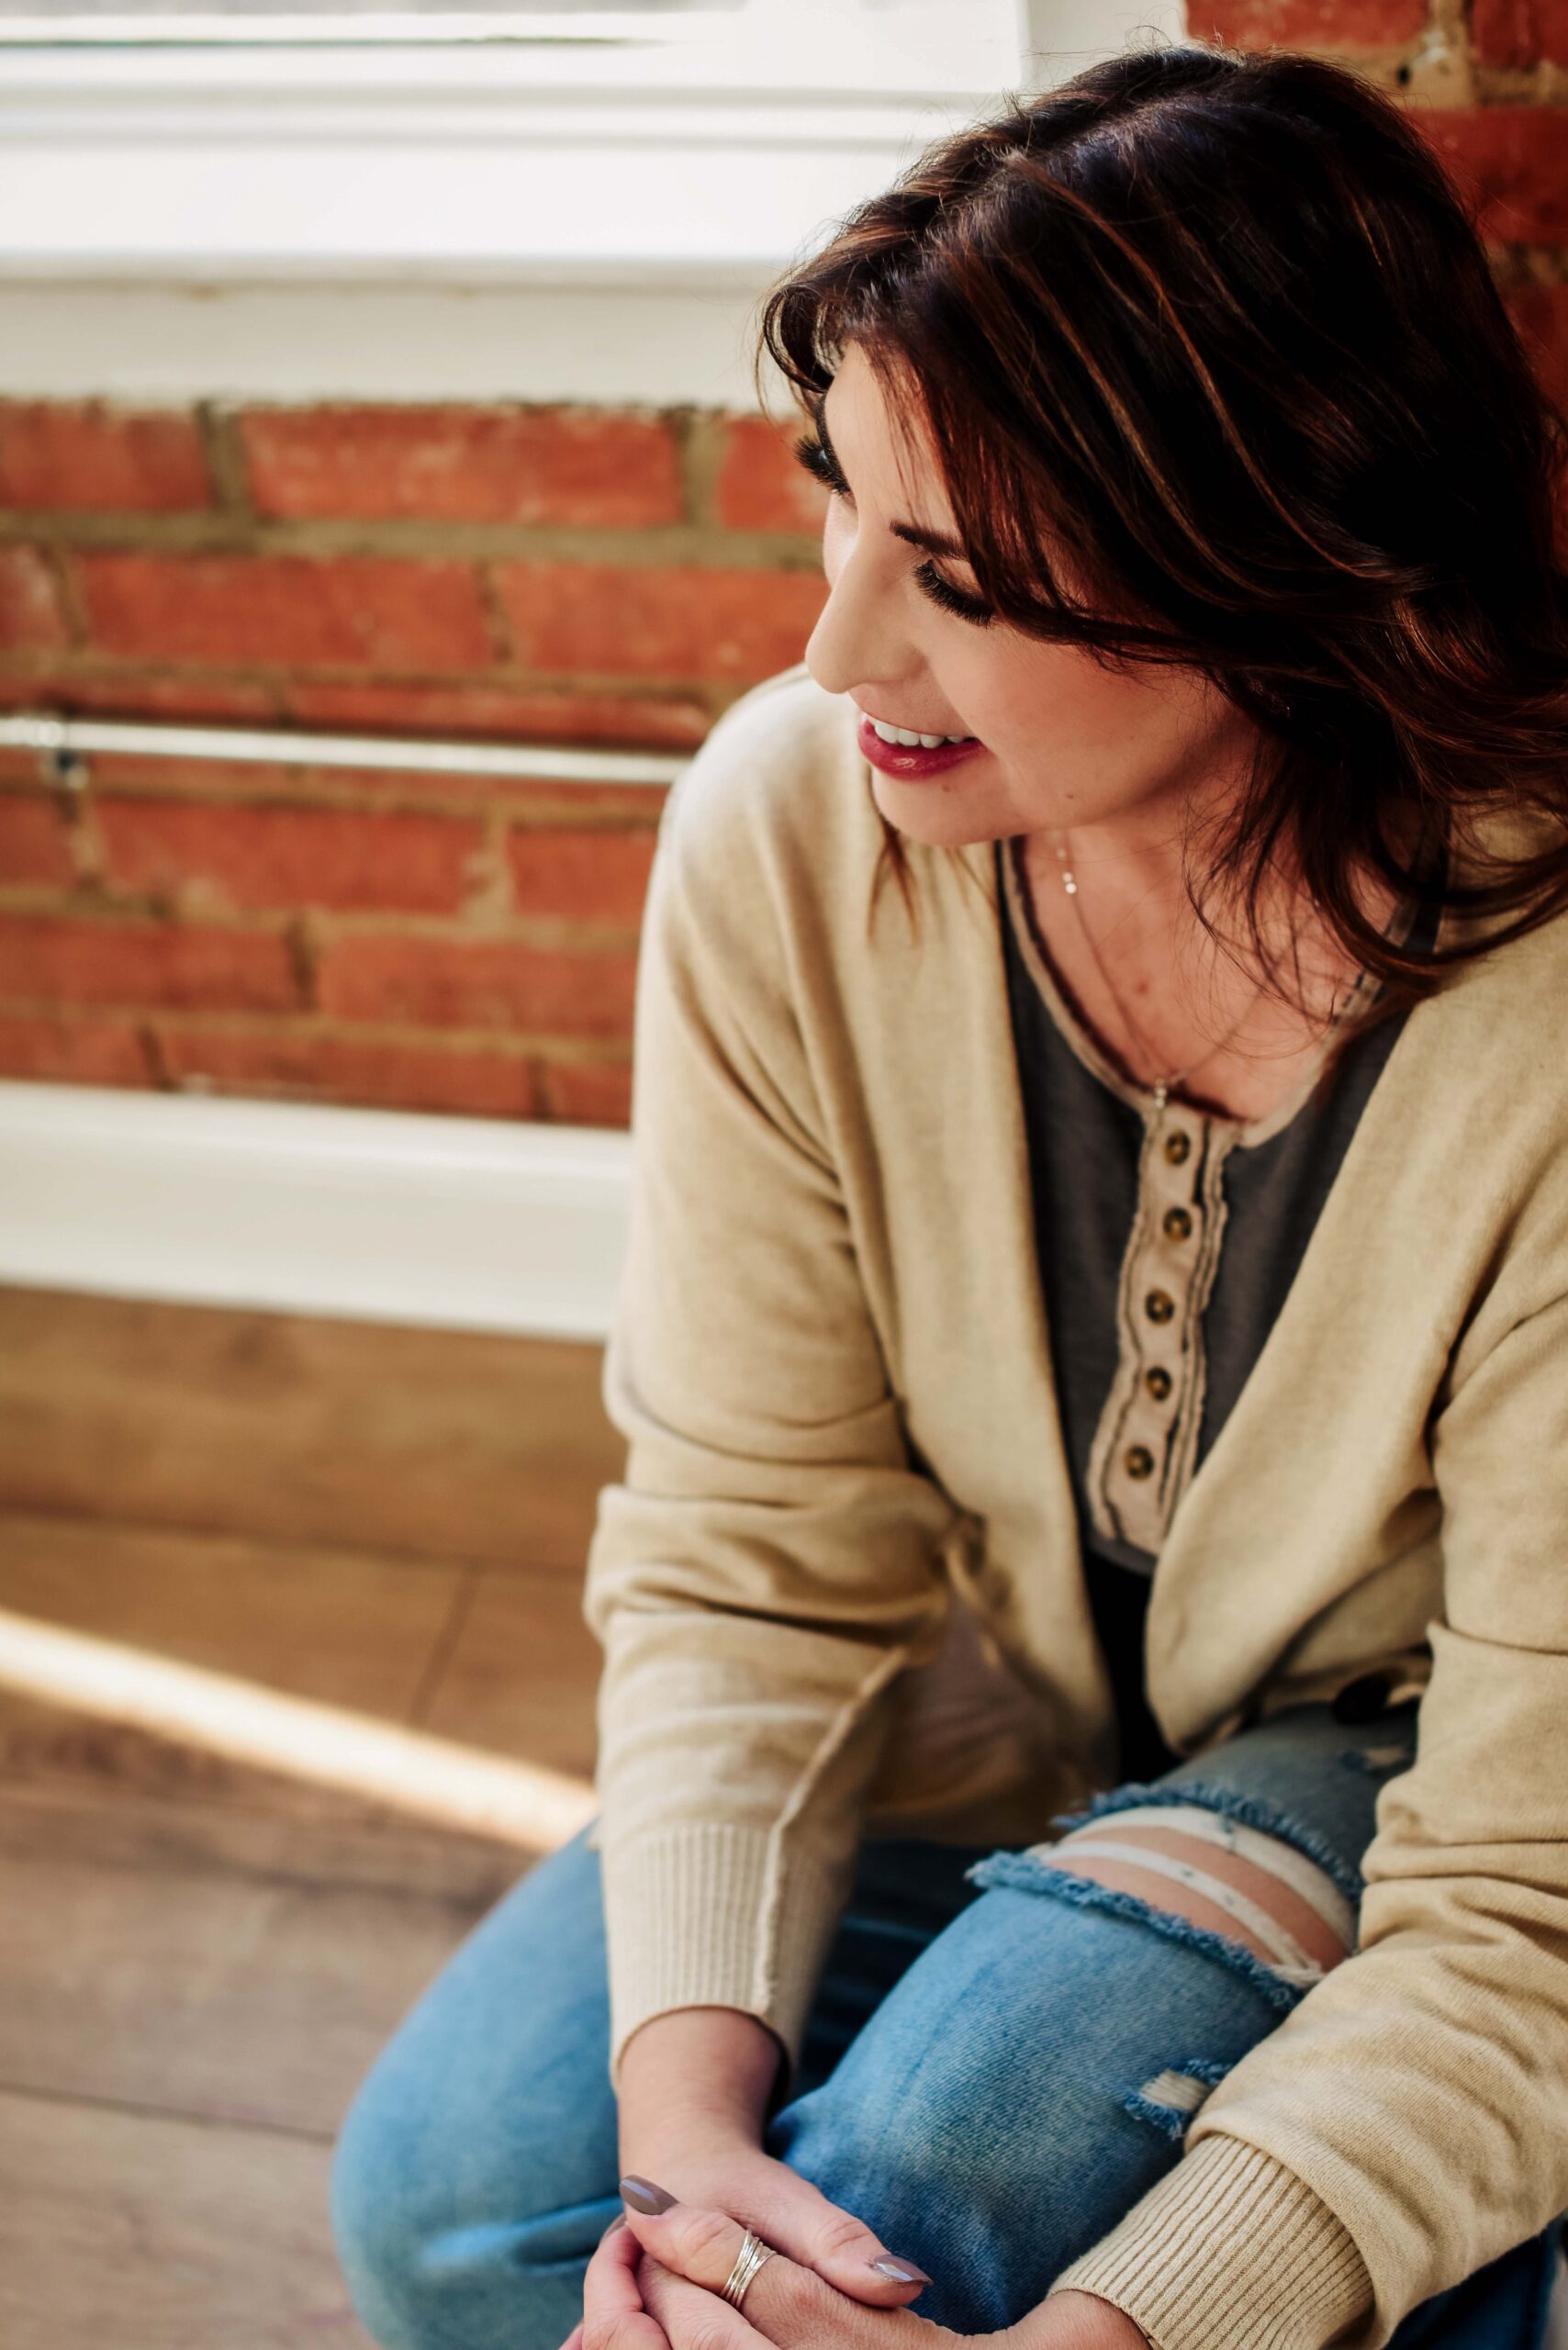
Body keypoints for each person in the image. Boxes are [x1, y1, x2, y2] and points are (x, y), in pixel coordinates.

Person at [328, 39, 1568, 2350]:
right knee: (459, 2212)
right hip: (1008, 1711)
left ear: (1286, 571)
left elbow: (1531, 1895)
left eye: (965, 579)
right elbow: (748, 1555)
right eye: (838, 504)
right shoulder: (794, 832)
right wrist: (685, 2160)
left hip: (1423, 1785)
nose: (833, 651)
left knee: (940, 2196)